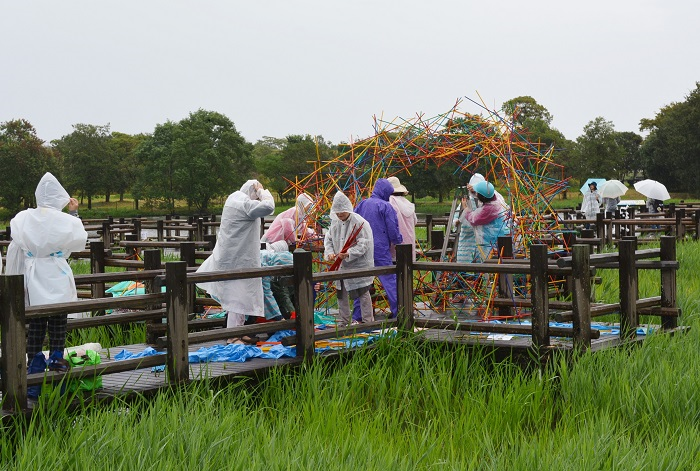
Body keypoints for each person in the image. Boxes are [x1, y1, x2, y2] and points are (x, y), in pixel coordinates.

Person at [5, 172, 88, 398]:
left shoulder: (23, 217)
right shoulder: (65, 220)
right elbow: (80, 240)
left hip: (33, 276)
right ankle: (58, 377)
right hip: (57, 274)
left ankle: (33, 383)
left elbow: (16, 243)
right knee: (58, 324)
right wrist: (74, 213)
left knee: (36, 327)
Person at [195, 180, 274, 343]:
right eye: (256, 197)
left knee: (240, 297)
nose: (256, 201)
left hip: (234, 257)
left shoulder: (235, 200)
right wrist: (262, 191)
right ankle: (232, 336)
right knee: (237, 299)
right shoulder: (244, 204)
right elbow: (269, 207)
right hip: (236, 259)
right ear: (252, 192)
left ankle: (239, 331)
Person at [353, 178, 403, 320]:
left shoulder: (362, 204)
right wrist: (398, 240)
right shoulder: (386, 207)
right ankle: (399, 311)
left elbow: (353, 224)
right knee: (390, 281)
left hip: (362, 249)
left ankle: (358, 315)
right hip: (380, 250)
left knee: (361, 282)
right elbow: (393, 231)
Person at [324, 191, 375, 326]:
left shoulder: (359, 222)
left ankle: (368, 322)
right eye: (337, 212)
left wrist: (349, 253)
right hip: (340, 264)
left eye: (342, 212)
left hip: (358, 264)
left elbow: (364, 243)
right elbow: (328, 239)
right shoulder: (335, 223)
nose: (340, 214)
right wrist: (330, 252)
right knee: (341, 293)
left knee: (363, 292)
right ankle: (344, 321)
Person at [462, 180, 511, 262]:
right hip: (504, 236)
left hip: (493, 242)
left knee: (493, 263)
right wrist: (475, 189)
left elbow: (473, 218)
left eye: (477, 193)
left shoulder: (489, 209)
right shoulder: (497, 198)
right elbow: (489, 191)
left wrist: (466, 208)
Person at [387, 176, 417, 261]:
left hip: (396, 244)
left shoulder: (390, 201)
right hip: (409, 243)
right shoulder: (407, 203)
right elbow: (415, 221)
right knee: (407, 270)